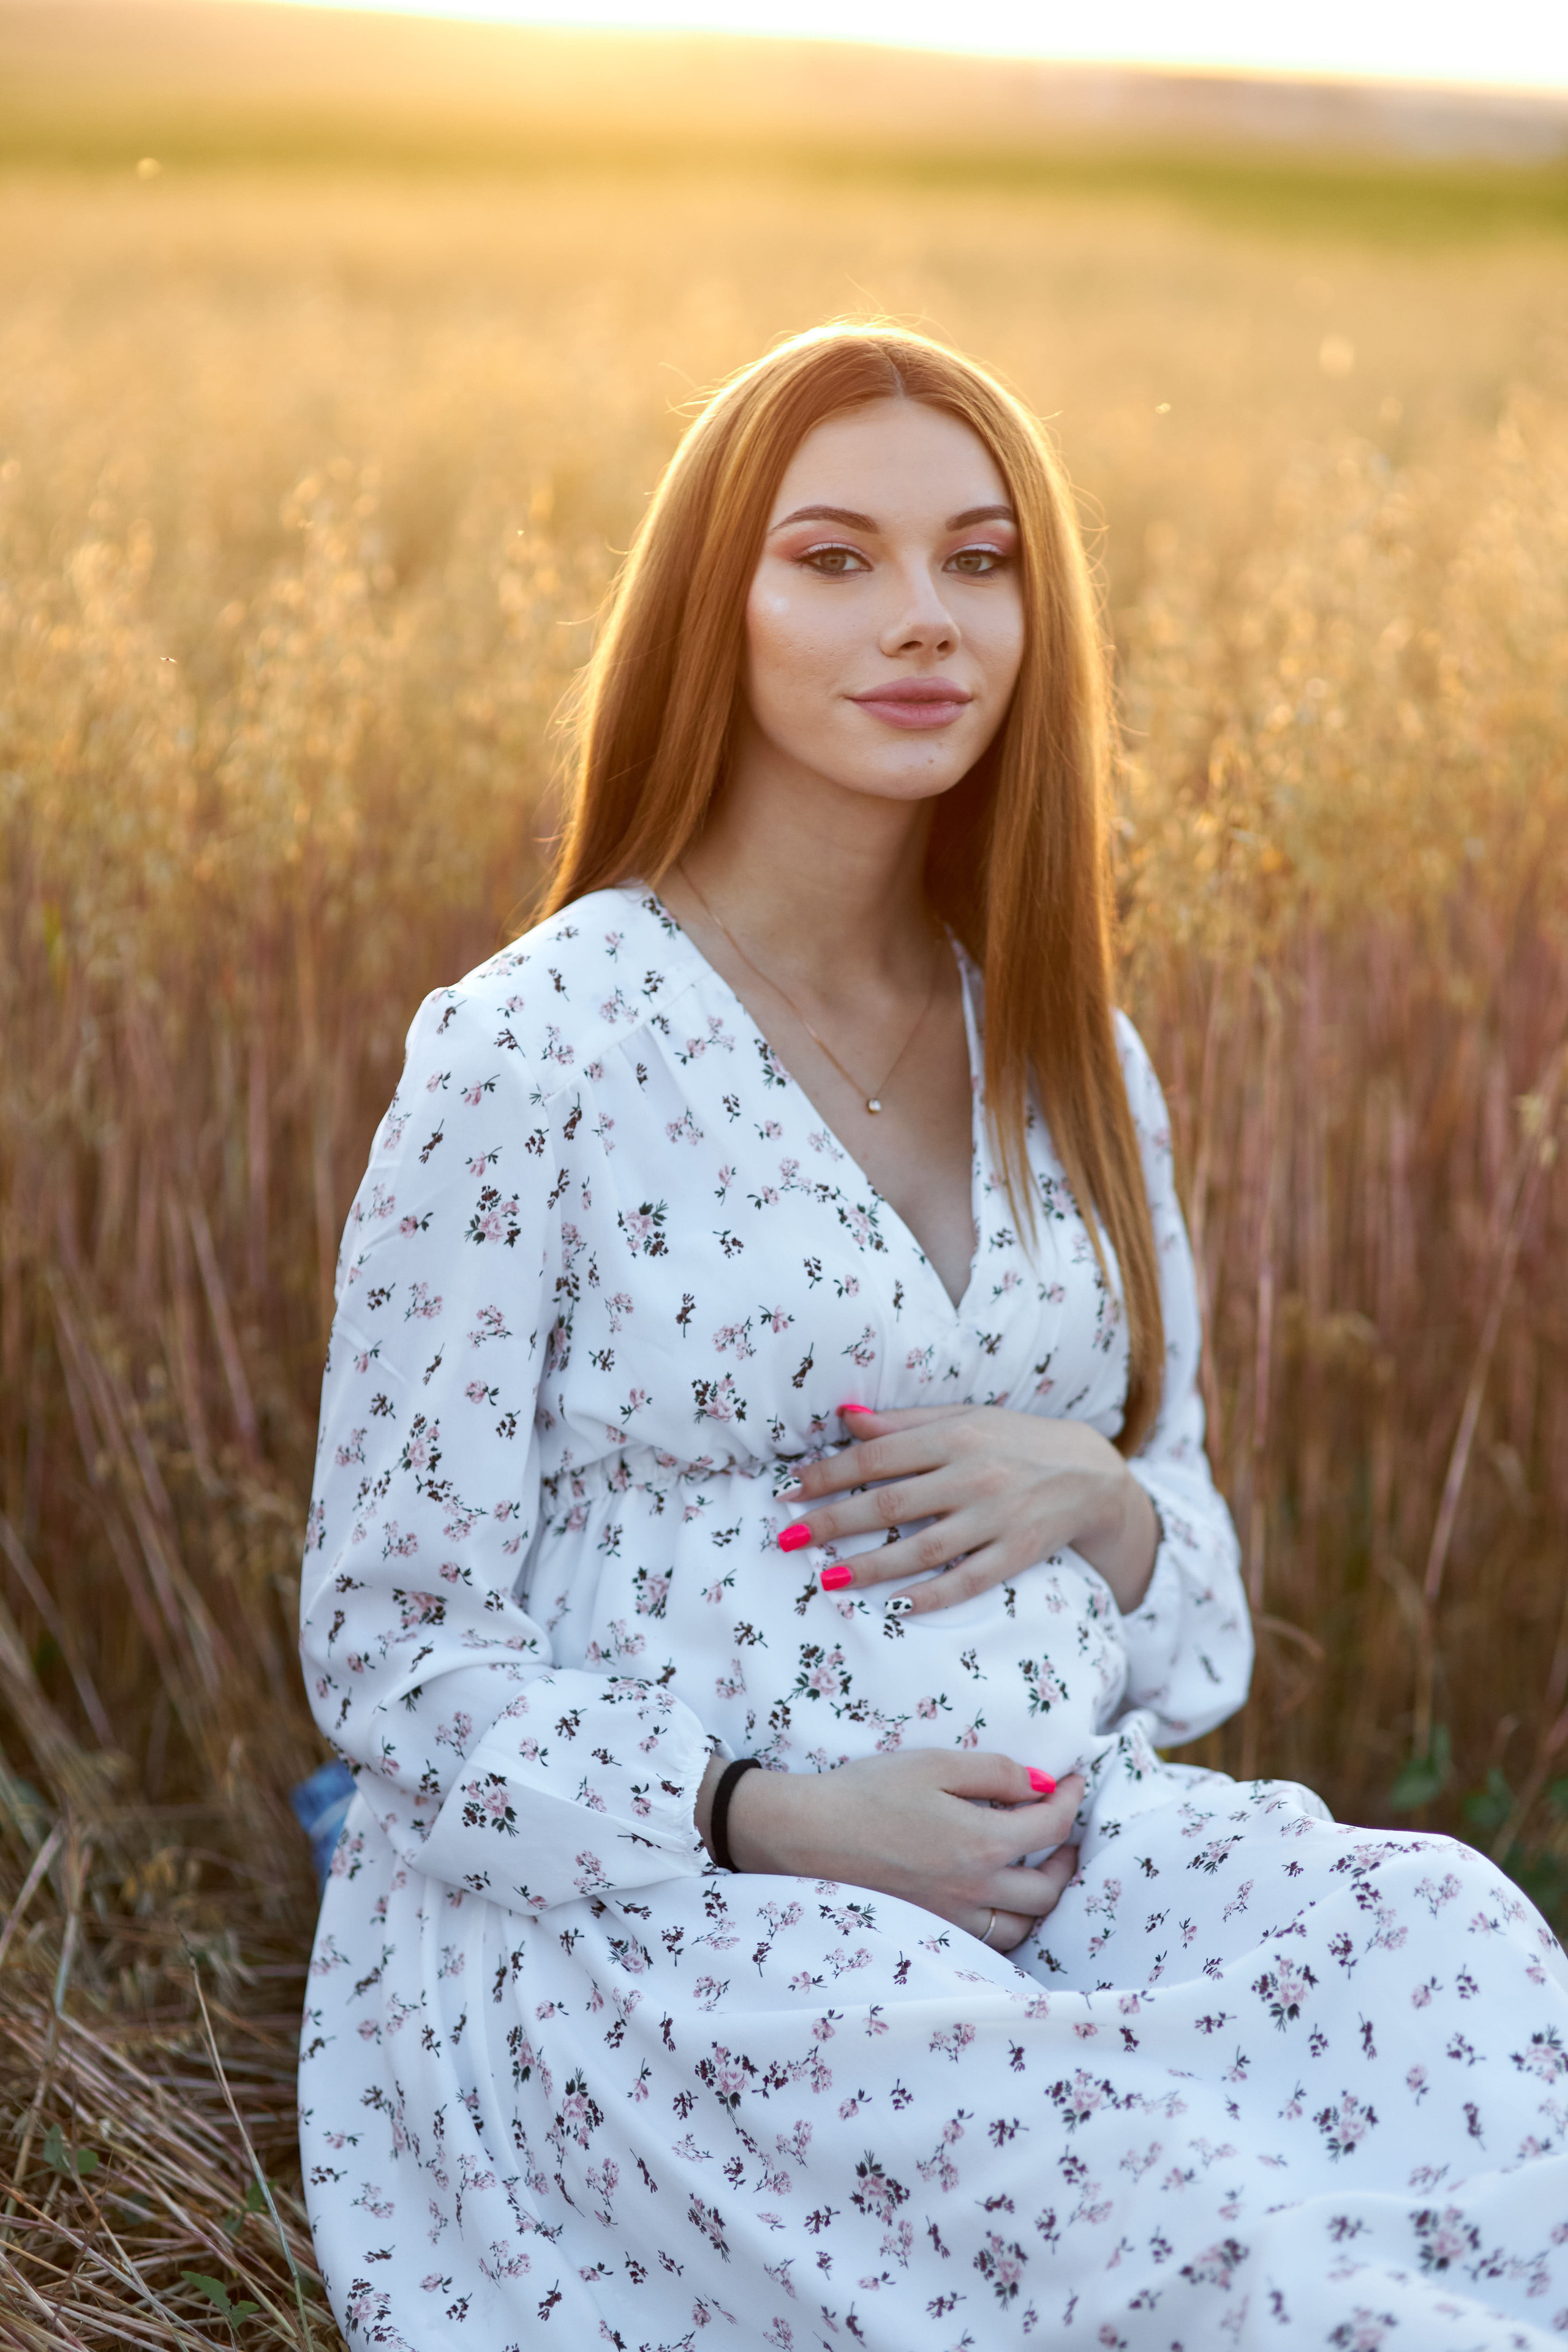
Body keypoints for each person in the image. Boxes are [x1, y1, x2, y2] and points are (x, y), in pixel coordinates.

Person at [298, 324, 1568, 2351]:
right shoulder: (533, 1049)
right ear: (712, 606)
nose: (925, 621)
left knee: (1455, 1950)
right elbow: (389, 1649)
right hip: (677, 1919)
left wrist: (1106, 1500)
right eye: (837, 559)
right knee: (1164, 2210)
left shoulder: (1074, 1051)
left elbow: (1196, 1605)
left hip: (1075, 1844)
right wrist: (768, 1816)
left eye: (982, 562)